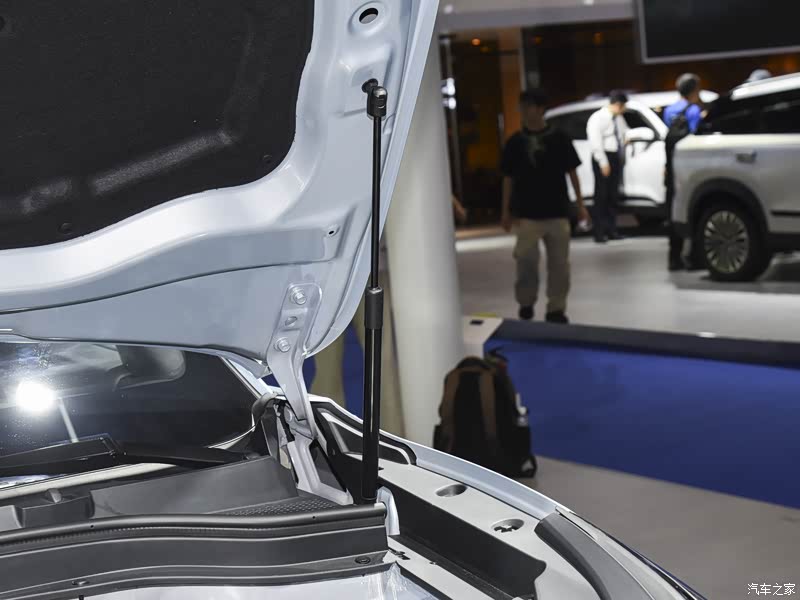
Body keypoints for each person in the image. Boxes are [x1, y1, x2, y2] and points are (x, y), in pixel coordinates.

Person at [500, 89, 589, 324]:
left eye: (528, 106)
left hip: (557, 211)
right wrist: (505, 210)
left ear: (541, 109)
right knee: (525, 261)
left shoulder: (560, 138)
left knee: (560, 265)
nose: (523, 111)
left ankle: (556, 308)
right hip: (526, 214)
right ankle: (526, 302)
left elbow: (572, 173)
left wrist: (580, 205)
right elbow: (508, 178)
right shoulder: (515, 142)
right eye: (522, 107)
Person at [663, 73, 705, 271]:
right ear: (694, 90)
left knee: (674, 211)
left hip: (672, 167)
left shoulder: (669, 110)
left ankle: (674, 257)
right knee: (694, 209)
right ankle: (694, 257)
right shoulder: (694, 110)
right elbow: (695, 138)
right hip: (689, 168)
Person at [586, 91, 629, 243]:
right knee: (601, 196)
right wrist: (603, 162)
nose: (624, 110)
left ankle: (612, 230)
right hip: (603, 156)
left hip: (615, 156)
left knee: (612, 196)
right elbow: (595, 142)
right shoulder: (598, 118)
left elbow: (624, 133)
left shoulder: (618, 118)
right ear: (618, 105)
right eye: (623, 106)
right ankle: (599, 232)